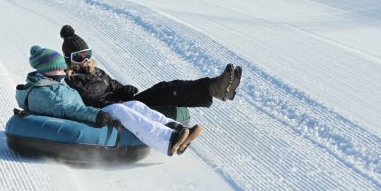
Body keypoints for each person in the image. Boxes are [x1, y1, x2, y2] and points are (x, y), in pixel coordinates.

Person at [17, 46, 202, 156]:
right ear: (44, 71)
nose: (61, 73)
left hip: (86, 113)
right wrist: (96, 114)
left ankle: (177, 130)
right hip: (83, 117)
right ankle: (168, 141)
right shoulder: (41, 92)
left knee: (135, 105)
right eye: (56, 70)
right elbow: (66, 109)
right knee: (121, 111)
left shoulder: (51, 84)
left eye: (60, 69)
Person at [59, 25, 242, 113]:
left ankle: (214, 87)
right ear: (69, 60)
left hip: (124, 105)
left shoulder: (97, 72)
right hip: (112, 112)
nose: (84, 60)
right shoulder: (69, 81)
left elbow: (115, 86)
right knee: (157, 95)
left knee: (165, 87)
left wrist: (124, 90)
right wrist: (112, 102)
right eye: (78, 57)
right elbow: (82, 104)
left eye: (86, 54)